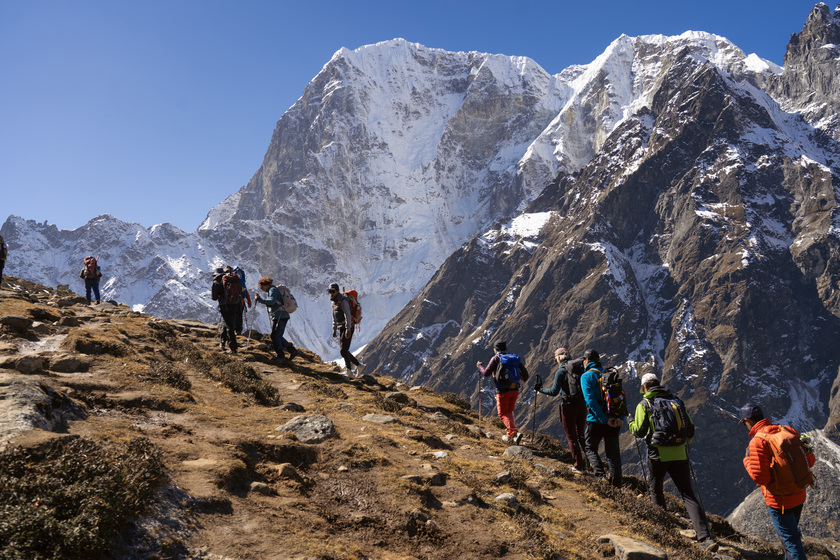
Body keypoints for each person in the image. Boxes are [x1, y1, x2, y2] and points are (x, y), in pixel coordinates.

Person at [629, 373, 713, 546]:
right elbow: (690, 430)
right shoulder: (677, 402)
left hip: (657, 454)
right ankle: (705, 536)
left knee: (656, 490)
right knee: (688, 494)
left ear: (645, 387)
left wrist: (630, 424)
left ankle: (664, 530)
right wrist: (681, 444)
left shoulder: (644, 404)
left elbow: (638, 430)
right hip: (680, 454)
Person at [740, 403, 815, 560]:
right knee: (791, 536)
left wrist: (747, 461)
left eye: (744, 422)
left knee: (791, 541)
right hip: (799, 494)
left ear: (747, 421)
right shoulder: (787, 430)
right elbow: (810, 460)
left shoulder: (757, 442)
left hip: (780, 501)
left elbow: (761, 478)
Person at [535, 347, 587, 471]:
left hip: (568, 406)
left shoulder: (561, 371)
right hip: (582, 405)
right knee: (581, 435)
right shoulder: (580, 368)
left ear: (558, 358)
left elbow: (553, 392)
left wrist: (540, 389)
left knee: (571, 437)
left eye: (556, 359)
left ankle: (579, 465)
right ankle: (593, 463)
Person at [580, 348, 623, 486]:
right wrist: (619, 417)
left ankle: (601, 477)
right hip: (614, 419)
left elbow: (590, 401)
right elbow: (621, 397)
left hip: (596, 420)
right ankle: (617, 484)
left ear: (586, 361)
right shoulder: (609, 374)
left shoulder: (586, 376)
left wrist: (604, 419)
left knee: (590, 448)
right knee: (613, 453)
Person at [477, 341, 530, 444]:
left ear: (495, 348)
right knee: (509, 412)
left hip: (502, 391)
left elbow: (486, 373)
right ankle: (510, 436)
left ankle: (514, 432)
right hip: (515, 389)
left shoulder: (496, 358)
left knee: (502, 414)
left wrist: (480, 366)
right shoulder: (513, 359)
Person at [255, 276, 299, 364]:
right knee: (276, 335)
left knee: (276, 336)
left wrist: (259, 299)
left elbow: (271, 301)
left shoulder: (272, 290)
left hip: (280, 316)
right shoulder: (272, 290)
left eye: (261, 286)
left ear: (265, 285)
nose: (262, 289)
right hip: (281, 315)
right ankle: (291, 350)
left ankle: (281, 356)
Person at [328, 283, 366, 376]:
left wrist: (348, 329)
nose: (331, 293)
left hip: (347, 327)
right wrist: (334, 329)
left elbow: (347, 315)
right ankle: (359, 365)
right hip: (342, 327)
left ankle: (349, 371)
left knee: (343, 350)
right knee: (344, 350)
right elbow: (334, 317)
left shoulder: (343, 301)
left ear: (337, 291)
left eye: (333, 291)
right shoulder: (334, 302)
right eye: (329, 291)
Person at [211, 266, 242, 355]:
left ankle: (233, 348)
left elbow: (214, 297)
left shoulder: (216, 282)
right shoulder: (231, 280)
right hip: (235, 305)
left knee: (229, 327)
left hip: (225, 306)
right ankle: (223, 342)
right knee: (228, 324)